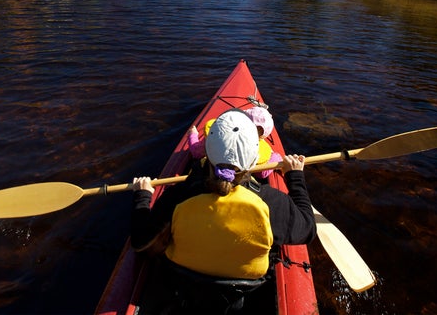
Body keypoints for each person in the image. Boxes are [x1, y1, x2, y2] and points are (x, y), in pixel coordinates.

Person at [131, 109, 316, 312]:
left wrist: (143, 197)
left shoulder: (178, 196)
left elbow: (141, 242)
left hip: (185, 288)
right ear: (255, 160)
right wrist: (295, 177)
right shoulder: (272, 203)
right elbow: (308, 228)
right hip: (242, 296)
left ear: (206, 153)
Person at [187, 106, 282, 179]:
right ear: (262, 136)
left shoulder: (217, 136)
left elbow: (196, 152)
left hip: (211, 173)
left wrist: (193, 134)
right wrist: (276, 157)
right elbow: (262, 173)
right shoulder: (256, 151)